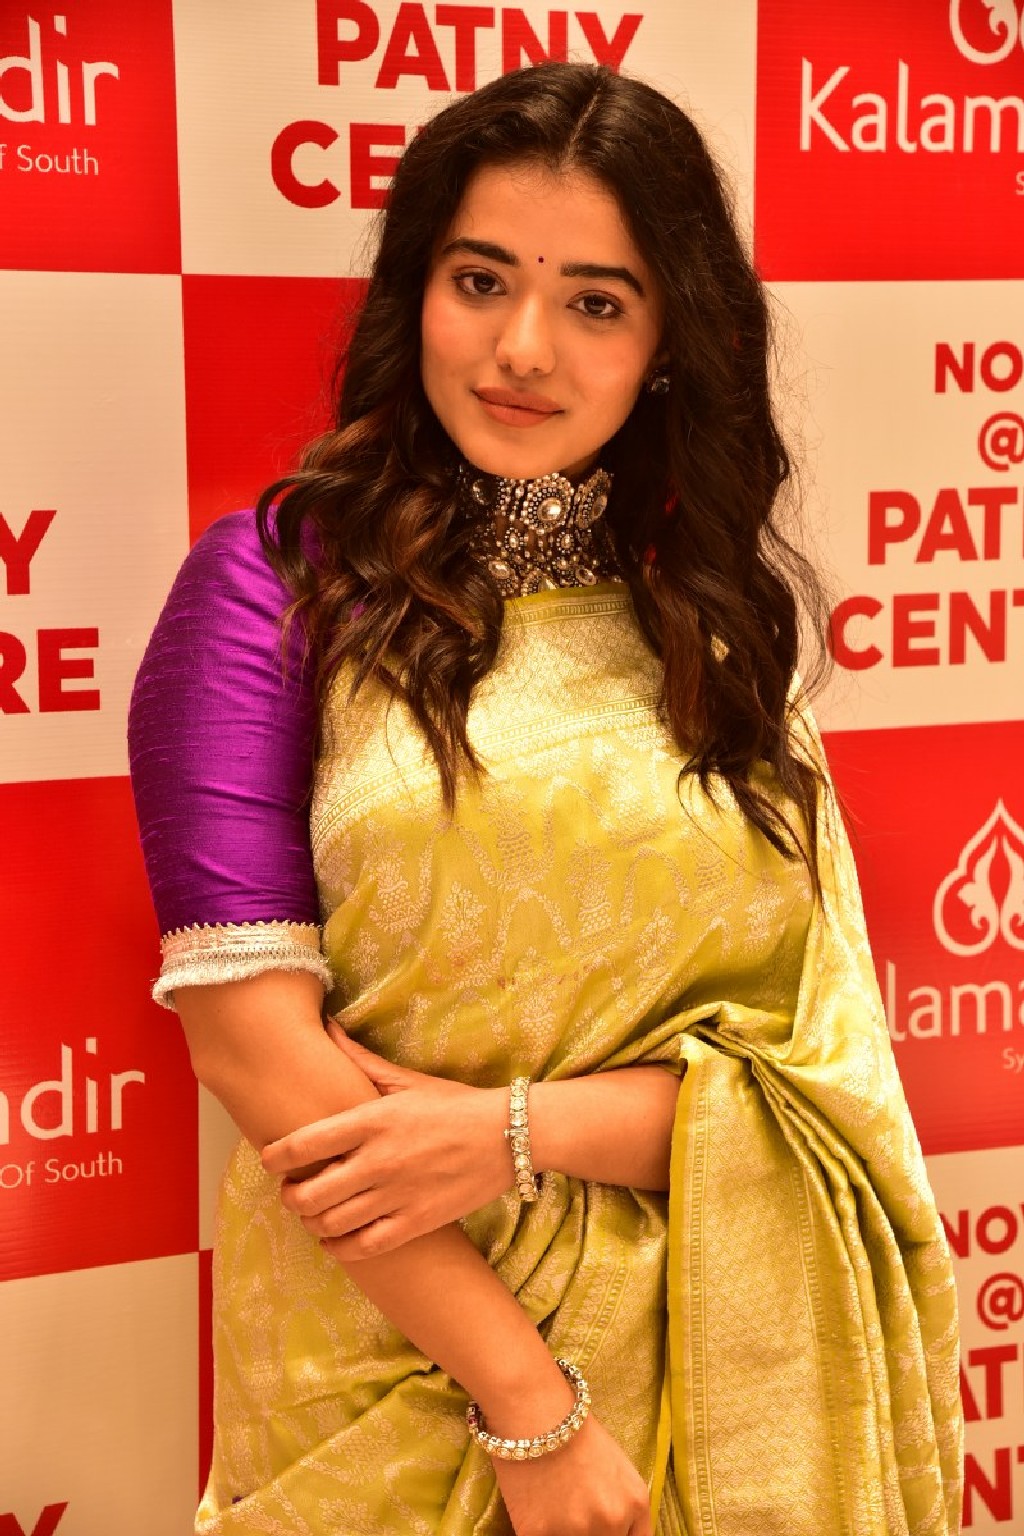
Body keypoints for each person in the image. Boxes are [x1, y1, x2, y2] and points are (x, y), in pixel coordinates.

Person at [128, 62, 963, 1536]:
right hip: (395, 1374)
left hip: (726, 1351)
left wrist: (517, 1129)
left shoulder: (709, 626)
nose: (523, 348)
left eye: (595, 302)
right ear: (415, 292)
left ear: (667, 342)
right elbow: (258, 1057)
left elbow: (822, 1091)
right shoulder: (271, 590)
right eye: (481, 281)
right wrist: (532, 1407)